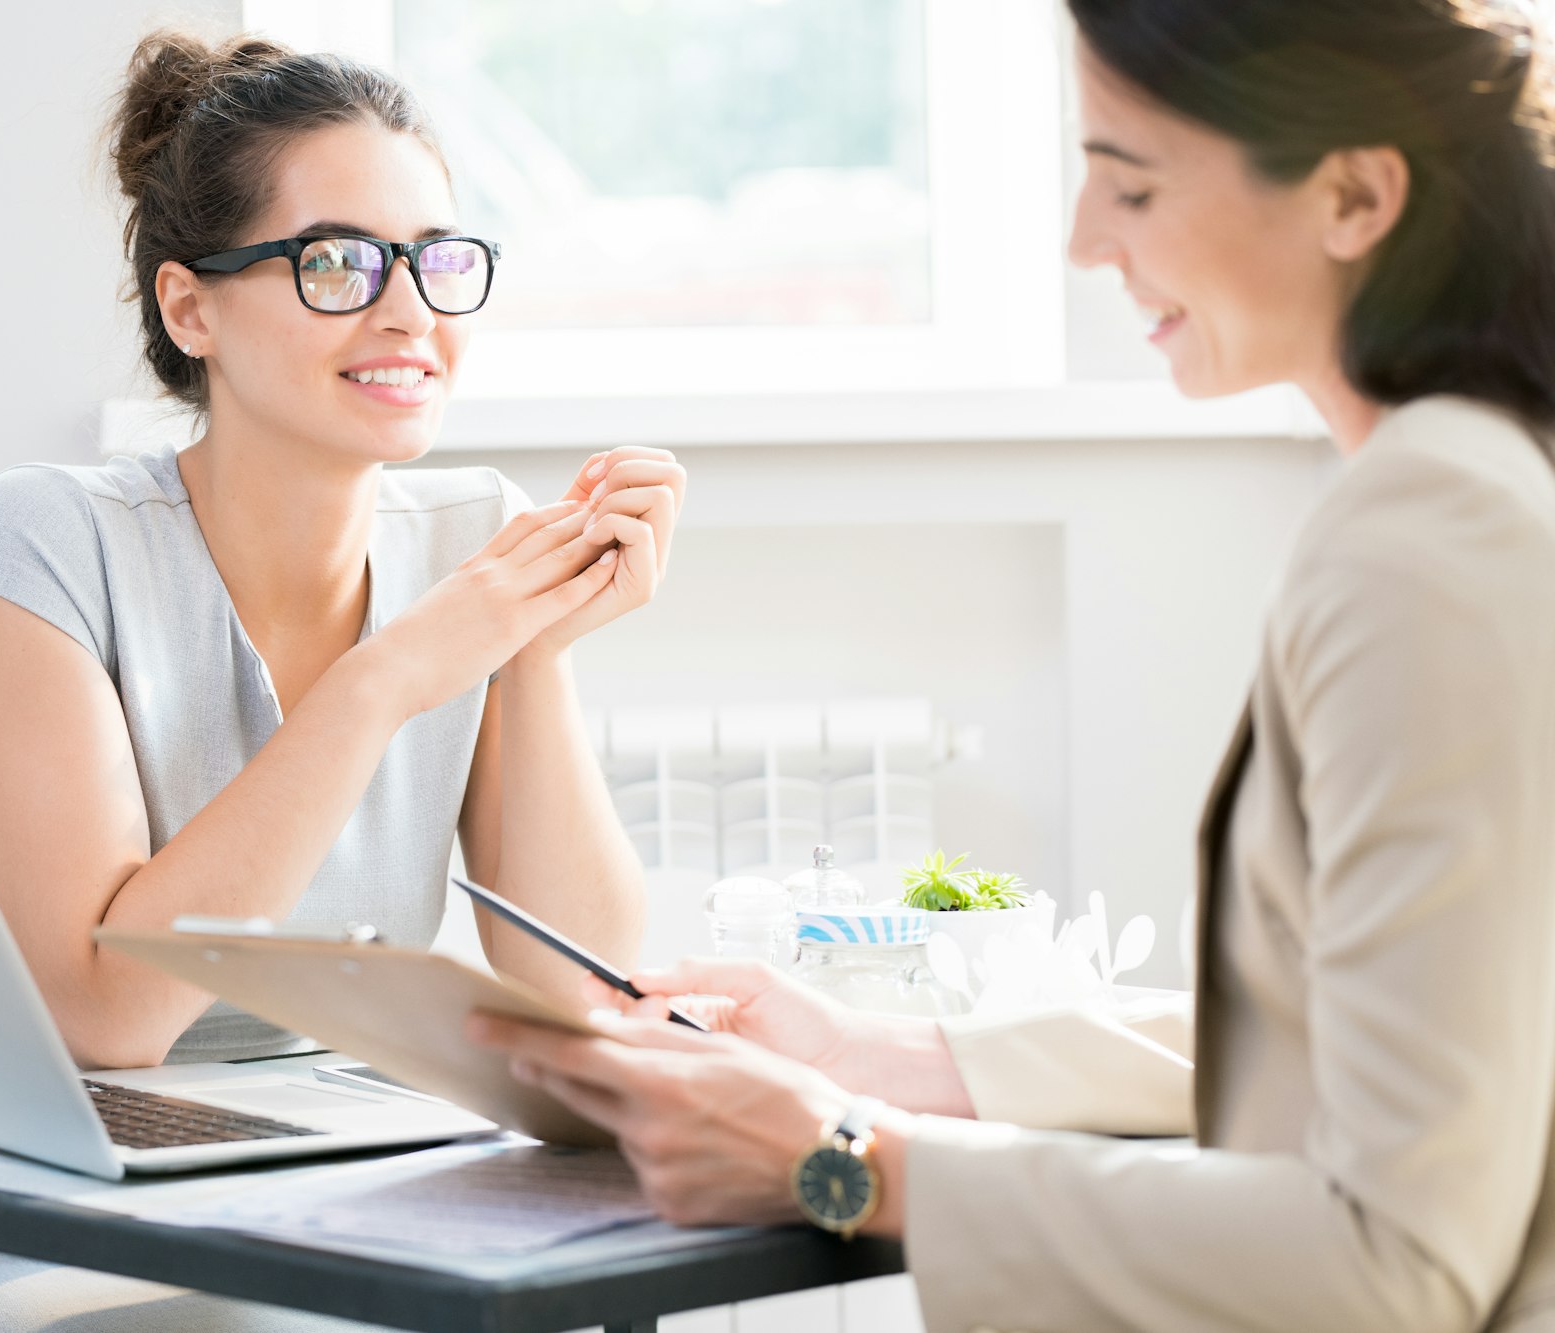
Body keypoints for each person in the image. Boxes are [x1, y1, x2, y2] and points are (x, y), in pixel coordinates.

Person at [472, 1, 1555, 1329]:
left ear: (1354, 195)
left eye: (1134, 182)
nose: (1082, 240)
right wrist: (895, 1059)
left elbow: (1396, 1262)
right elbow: (1386, 1047)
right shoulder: (1473, 485)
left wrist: (846, 1161)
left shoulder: (1433, 534)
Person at [0, 29, 683, 1332]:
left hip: (254, 1198)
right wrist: (388, 678)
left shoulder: (468, 549)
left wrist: (534, 645)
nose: (408, 312)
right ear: (189, 307)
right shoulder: (44, 538)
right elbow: (112, 1015)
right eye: (337, 262)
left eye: (436, 261)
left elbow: (579, 998)